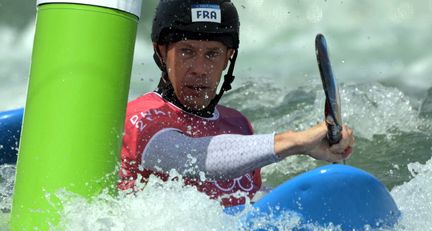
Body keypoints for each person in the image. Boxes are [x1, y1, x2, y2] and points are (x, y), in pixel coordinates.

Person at [118, 0, 354, 207]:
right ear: (161, 52)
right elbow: (194, 157)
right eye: (186, 52)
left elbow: (251, 202)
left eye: (212, 54)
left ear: (228, 58)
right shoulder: (138, 117)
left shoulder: (237, 124)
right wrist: (297, 141)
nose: (200, 70)